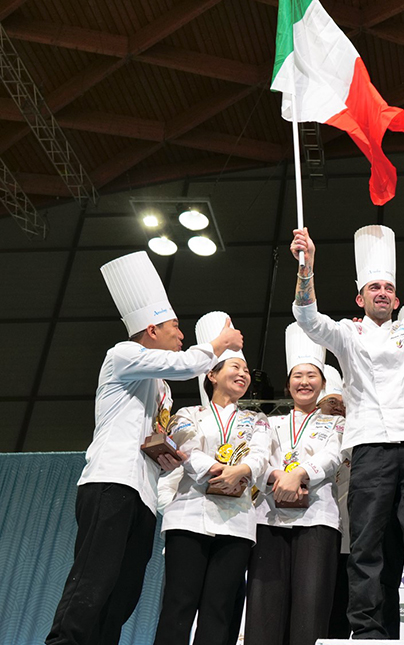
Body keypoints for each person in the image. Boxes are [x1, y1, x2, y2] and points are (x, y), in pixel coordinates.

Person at [45, 252, 242, 645]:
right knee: (93, 581)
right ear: (151, 330)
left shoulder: (161, 387)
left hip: (143, 494)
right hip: (110, 481)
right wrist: (218, 343)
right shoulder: (122, 355)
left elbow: (150, 436)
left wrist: (168, 454)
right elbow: (187, 364)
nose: (181, 334)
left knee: (123, 593)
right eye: (174, 327)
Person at [290, 221, 404, 639]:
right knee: (366, 544)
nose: (382, 293)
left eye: (388, 288)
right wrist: (306, 266)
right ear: (360, 297)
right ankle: (366, 631)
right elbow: (307, 318)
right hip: (369, 448)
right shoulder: (347, 334)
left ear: (397, 297)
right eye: (374, 288)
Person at [153, 311, 269, 645]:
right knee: (179, 604)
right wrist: (221, 472)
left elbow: (261, 455)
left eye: (245, 370)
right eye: (235, 368)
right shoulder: (188, 414)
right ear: (212, 375)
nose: (243, 374)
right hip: (188, 518)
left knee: (220, 608)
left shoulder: (256, 419)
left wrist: (243, 471)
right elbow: (186, 448)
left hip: (236, 523)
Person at [245, 323, 345, 645]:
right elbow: (256, 456)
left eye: (311, 375)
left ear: (322, 383)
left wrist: (299, 474)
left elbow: (334, 457)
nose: (304, 382)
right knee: (263, 612)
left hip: (317, 520)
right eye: (297, 376)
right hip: (269, 519)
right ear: (288, 385)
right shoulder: (267, 421)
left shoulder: (337, 423)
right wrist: (278, 478)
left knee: (311, 611)